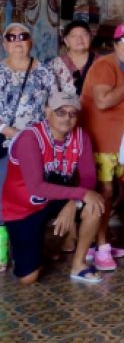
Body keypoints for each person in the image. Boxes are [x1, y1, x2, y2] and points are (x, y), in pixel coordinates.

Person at [2, 92, 105, 283]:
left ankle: (79, 265)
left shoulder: (81, 137)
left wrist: (73, 203)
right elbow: (36, 188)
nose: (67, 118)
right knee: (28, 278)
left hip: (56, 198)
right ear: (47, 111)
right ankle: (34, 243)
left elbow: (89, 177)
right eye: (60, 112)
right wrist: (80, 194)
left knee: (94, 203)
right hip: (23, 208)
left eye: (73, 113)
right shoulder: (30, 138)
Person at [80, 21, 124, 270]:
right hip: (100, 140)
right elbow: (103, 101)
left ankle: (101, 241)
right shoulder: (104, 66)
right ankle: (101, 248)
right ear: (115, 44)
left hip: (120, 142)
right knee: (105, 193)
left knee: (117, 193)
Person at [0, 23, 58, 272]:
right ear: (5, 44)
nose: (17, 41)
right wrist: (9, 131)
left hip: (37, 145)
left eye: (22, 37)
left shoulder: (44, 71)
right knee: (3, 194)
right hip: (5, 143)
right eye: (11, 37)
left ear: (30, 42)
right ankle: (3, 247)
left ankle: (30, 247)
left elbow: (53, 106)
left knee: (34, 195)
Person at [50, 20, 96, 96]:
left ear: (91, 37)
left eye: (84, 34)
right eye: (74, 36)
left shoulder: (103, 62)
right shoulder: (55, 64)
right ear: (66, 41)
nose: (80, 39)